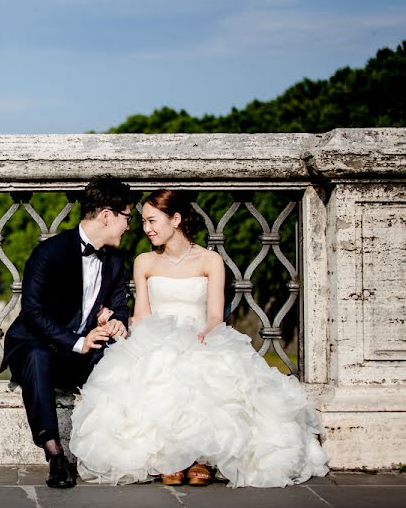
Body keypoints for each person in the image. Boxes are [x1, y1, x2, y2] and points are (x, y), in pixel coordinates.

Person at [69, 189, 329, 487]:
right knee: (157, 370)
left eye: (152, 221)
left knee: (204, 372)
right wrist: (116, 322)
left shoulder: (210, 261)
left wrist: (206, 332)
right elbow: (142, 316)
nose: (146, 229)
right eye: (142, 222)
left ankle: (197, 459)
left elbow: (216, 315)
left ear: (175, 219)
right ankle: (171, 458)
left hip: (201, 334)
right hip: (158, 337)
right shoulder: (144, 262)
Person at [0, 176, 134, 489]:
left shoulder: (114, 261)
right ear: (106, 215)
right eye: (126, 218)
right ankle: (55, 453)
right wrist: (78, 341)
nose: (129, 226)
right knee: (36, 357)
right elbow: (32, 313)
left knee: (120, 362)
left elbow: (120, 306)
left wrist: (117, 323)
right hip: (38, 344)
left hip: (81, 354)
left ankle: (118, 452)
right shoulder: (49, 253)